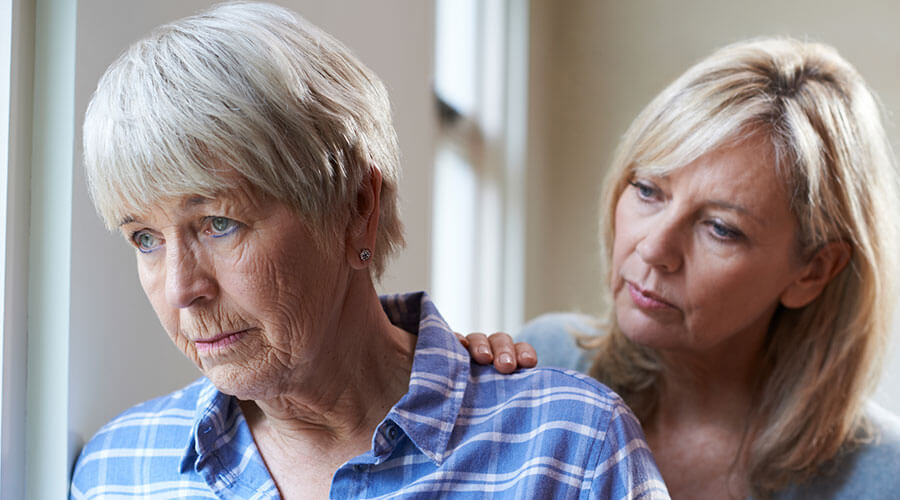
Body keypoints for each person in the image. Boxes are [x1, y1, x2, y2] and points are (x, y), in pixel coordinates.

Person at [69, 2, 670, 499]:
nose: (181, 289)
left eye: (219, 223)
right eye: (144, 238)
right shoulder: (116, 470)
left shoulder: (571, 448)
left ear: (357, 207)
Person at [465, 37, 900, 499]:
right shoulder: (545, 360)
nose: (653, 249)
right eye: (649, 190)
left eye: (720, 228)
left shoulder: (882, 477)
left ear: (813, 271)